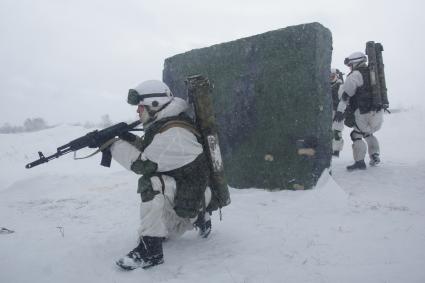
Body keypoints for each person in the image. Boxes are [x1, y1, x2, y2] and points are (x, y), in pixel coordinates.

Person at [108, 80, 212, 270]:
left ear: (155, 104)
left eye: (140, 106)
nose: (137, 111)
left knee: (152, 183)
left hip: (187, 204)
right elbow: (155, 150)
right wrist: (127, 137)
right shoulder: (169, 123)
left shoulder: (174, 134)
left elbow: (144, 165)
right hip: (192, 194)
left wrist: (112, 146)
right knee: (162, 182)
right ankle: (199, 216)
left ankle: (151, 250)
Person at [333, 52, 384, 171]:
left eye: (350, 65)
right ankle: (375, 155)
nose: (350, 67)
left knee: (356, 135)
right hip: (378, 112)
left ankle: (360, 162)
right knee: (368, 133)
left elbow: (346, 95)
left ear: (355, 62)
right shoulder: (373, 74)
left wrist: (340, 111)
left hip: (363, 112)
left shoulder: (355, 74)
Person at [330, 68, 344, 157]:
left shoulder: (340, 86)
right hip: (329, 111)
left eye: (332, 76)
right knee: (330, 131)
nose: (331, 78)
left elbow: (344, 100)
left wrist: (340, 111)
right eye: (329, 76)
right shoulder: (327, 86)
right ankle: (331, 149)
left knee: (337, 131)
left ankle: (336, 150)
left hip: (338, 112)